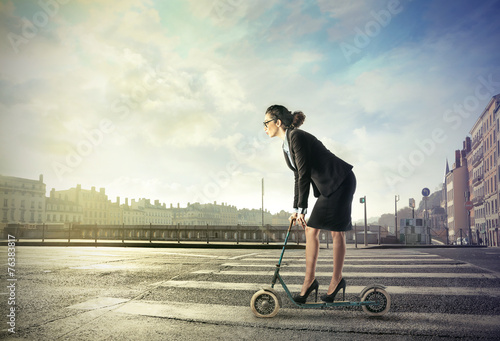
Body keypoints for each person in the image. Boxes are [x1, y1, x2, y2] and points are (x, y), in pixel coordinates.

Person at [263, 104, 356, 303]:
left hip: (340, 181)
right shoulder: (286, 145)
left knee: (333, 231)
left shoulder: (296, 136)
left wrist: (303, 209)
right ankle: (311, 281)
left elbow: (304, 173)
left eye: (266, 122)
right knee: (313, 231)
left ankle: (332, 280)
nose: (264, 127)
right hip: (330, 186)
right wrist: (296, 209)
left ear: (278, 122)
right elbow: (298, 177)